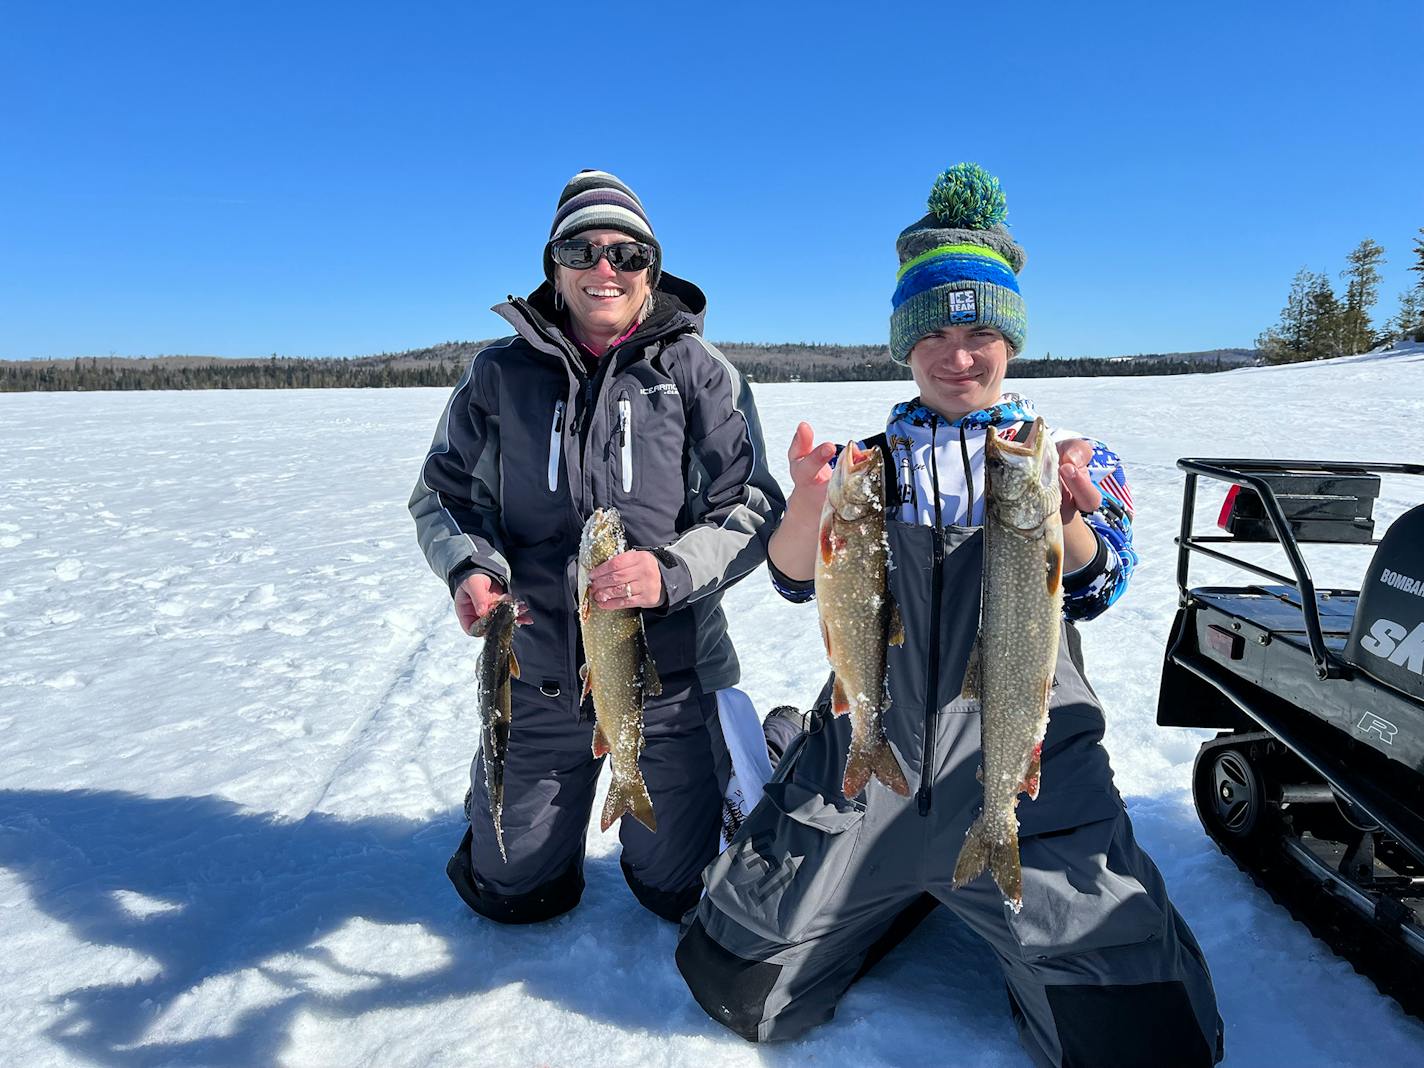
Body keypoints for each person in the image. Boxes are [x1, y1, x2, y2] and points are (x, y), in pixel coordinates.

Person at [675, 164, 1222, 1066]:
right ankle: (807, 794)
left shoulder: (1062, 456)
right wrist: (811, 511)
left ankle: (957, 900)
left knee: (1146, 1044)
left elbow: (1100, 585)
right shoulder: (866, 462)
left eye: (978, 331)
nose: (956, 353)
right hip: (871, 757)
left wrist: (1070, 523)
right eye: (933, 331)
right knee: (738, 986)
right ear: (904, 343)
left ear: (1010, 339)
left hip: (1021, 763)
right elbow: (791, 582)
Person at [410, 169, 784, 924]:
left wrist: (671, 571)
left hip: (667, 677)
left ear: (653, 266)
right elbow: (445, 495)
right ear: (554, 265)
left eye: (628, 253)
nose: (604, 269)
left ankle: (767, 746)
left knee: (678, 893)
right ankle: (501, 803)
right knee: (512, 894)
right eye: (581, 250)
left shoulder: (698, 374)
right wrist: (471, 567)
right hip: (541, 676)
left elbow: (752, 506)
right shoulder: (499, 373)